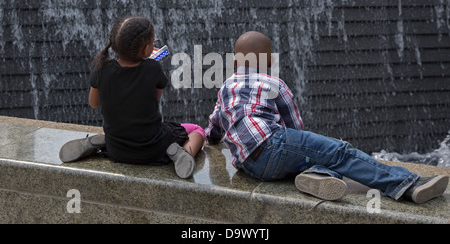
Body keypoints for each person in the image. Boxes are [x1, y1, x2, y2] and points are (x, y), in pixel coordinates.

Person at [204, 31, 448, 203]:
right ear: (269, 61)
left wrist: (209, 140)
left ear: (236, 61)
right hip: (273, 145)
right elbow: (294, 127)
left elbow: (215, 125)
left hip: (250, 166)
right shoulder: (273, 83)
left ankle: (318, 176)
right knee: (339, 152)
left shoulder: (226, 86)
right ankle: (406, 184)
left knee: (314, 156)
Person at [59, 16, 204, 179]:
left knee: (118, 129)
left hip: (117, 149)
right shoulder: (152, 68)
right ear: (146, 48)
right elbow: (152, 100)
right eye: (152, 41)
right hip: (154, 148)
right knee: (197, 130)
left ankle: (101, 141)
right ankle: (181, 153)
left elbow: (94, 103)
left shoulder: (102, 69)